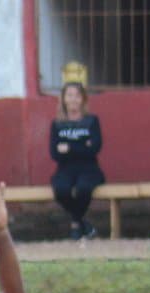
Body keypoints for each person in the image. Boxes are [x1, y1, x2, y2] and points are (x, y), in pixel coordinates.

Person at [49, 83, 105, 240]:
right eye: (69, 95)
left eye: (77, 95)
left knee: (84, 188)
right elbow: (54, 153)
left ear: (83, 99)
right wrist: (82, 145)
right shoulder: (57, 124)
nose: (73, 99)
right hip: (65, 169)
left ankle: (75, 224)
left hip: (89, 168)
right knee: (61, 190)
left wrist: (69, 148)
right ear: (63, 99)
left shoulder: (92, 121)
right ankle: (83, 223)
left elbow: (95, 148)